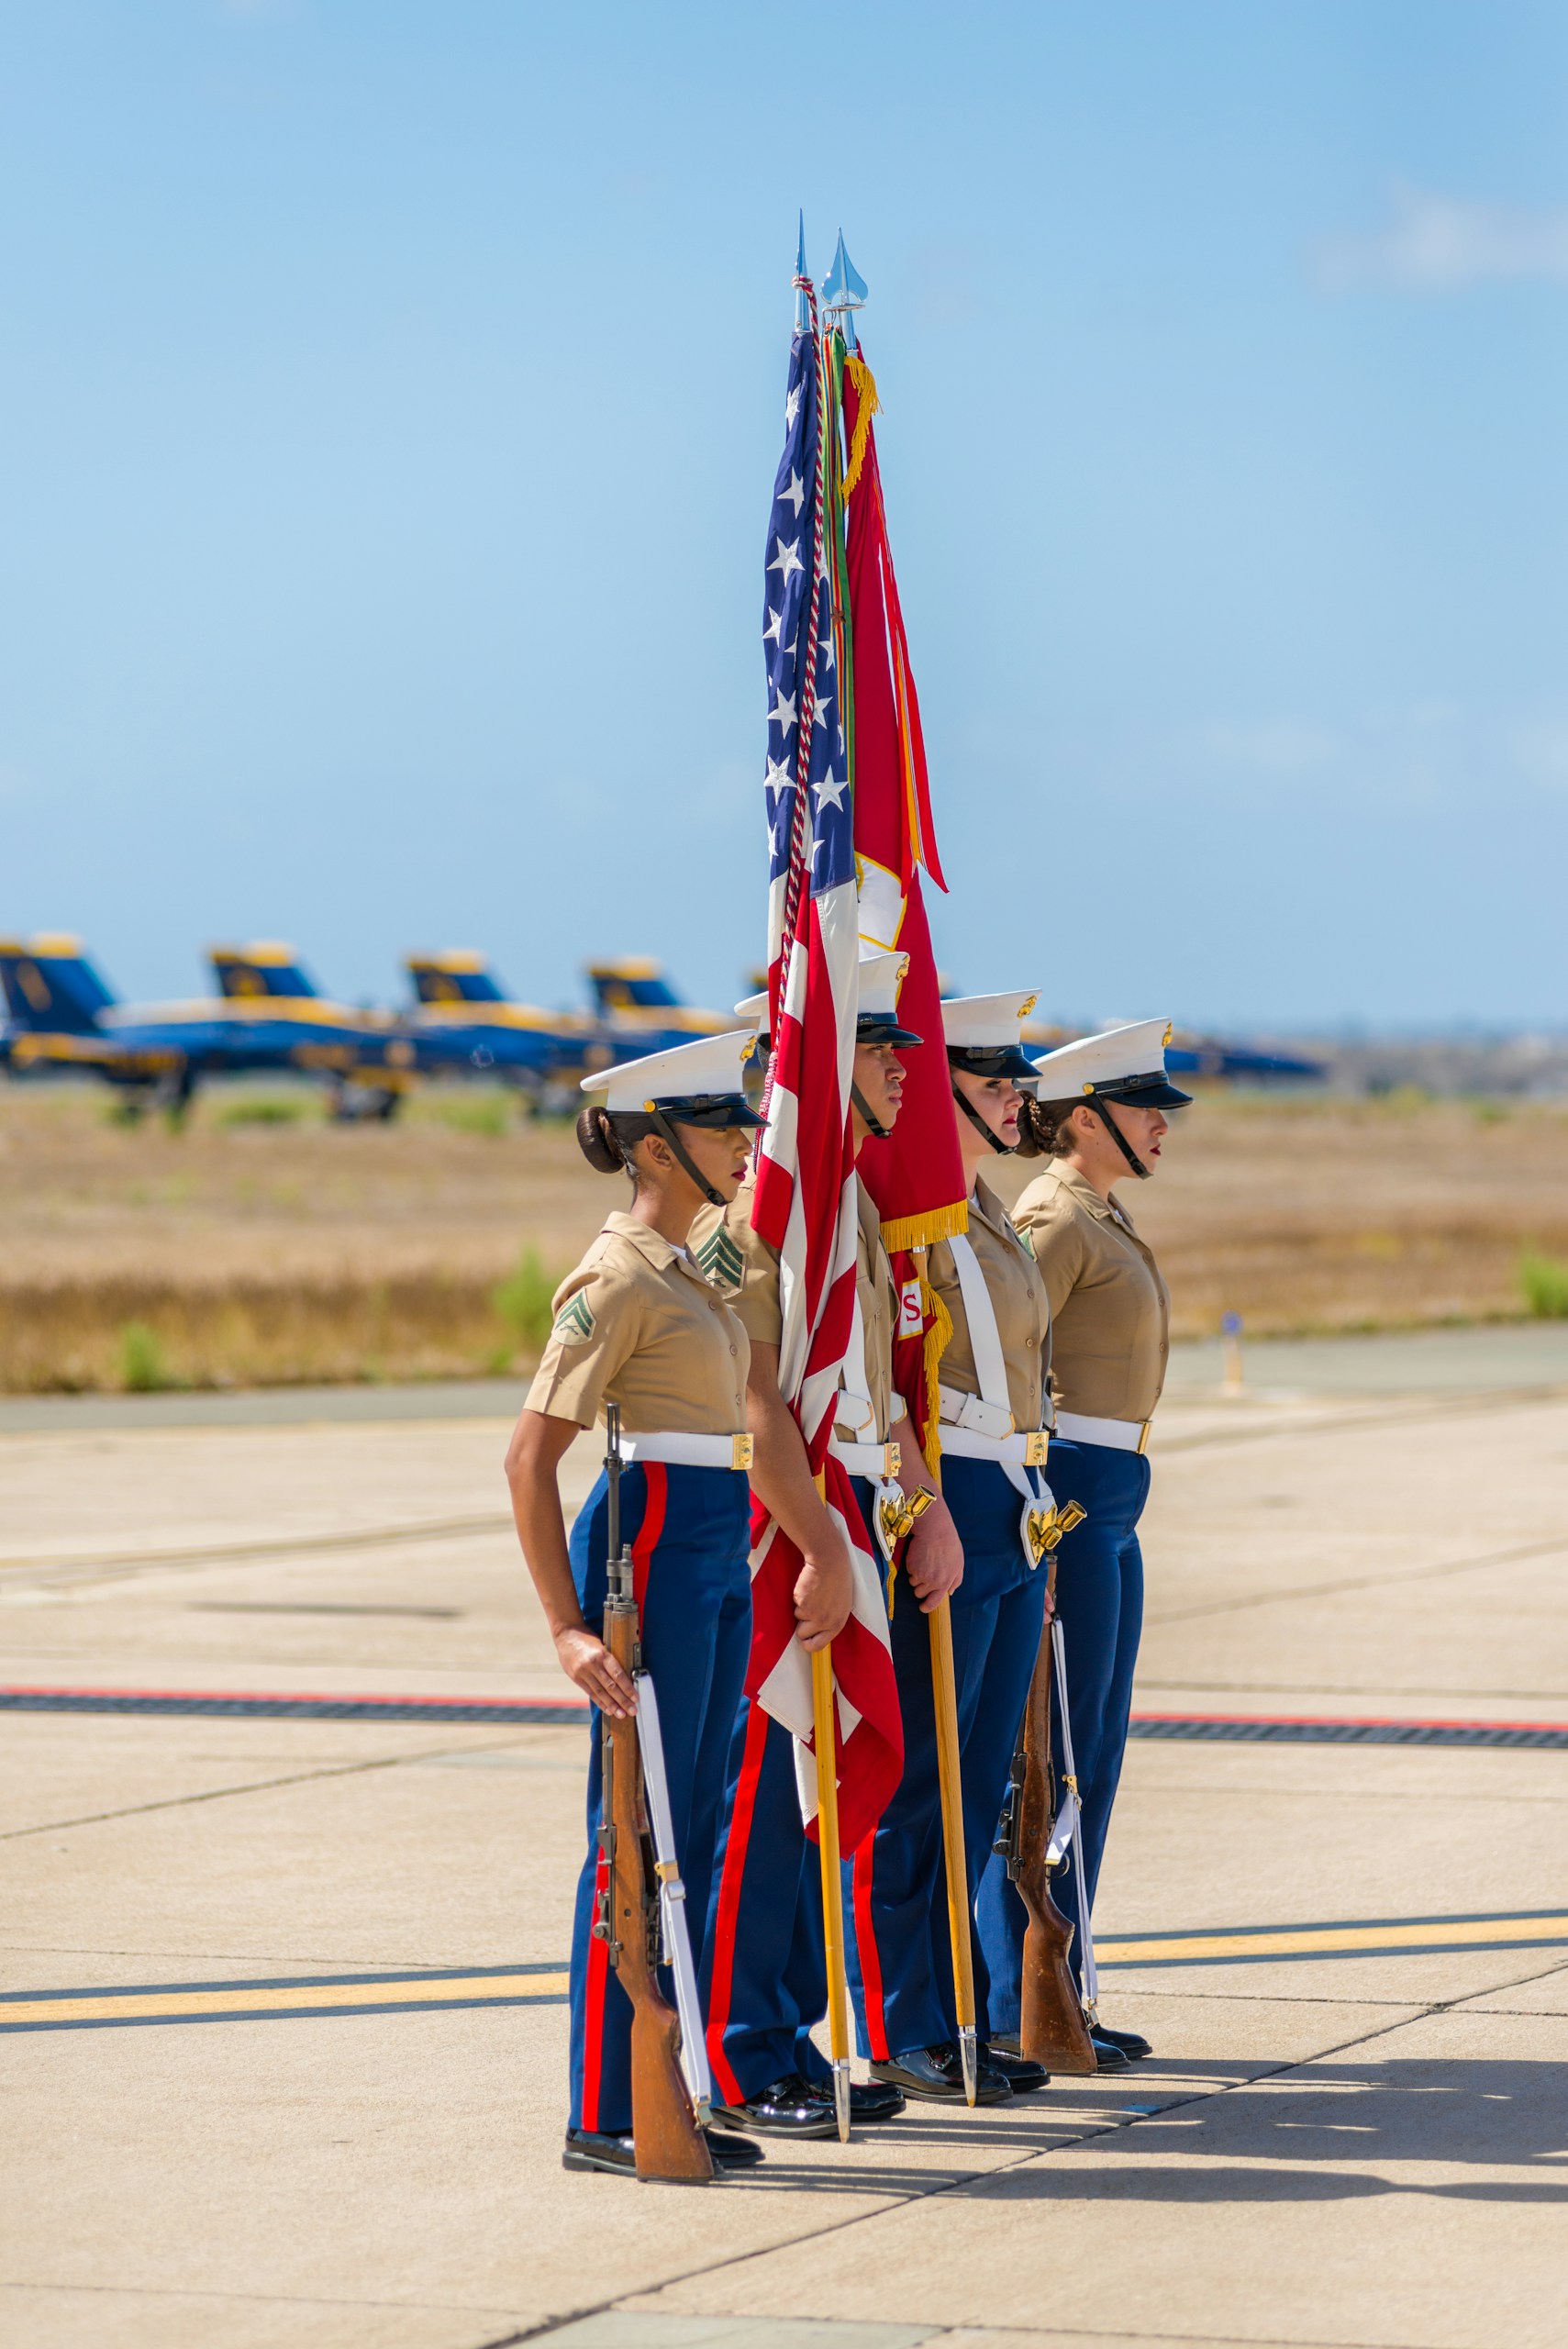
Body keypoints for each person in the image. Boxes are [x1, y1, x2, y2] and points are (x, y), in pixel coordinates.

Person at [694, 948, 964, 2139]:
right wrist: (816, 1546)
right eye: (878, 1047)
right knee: (767, 1797)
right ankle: (749, 2049)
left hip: (843, 1508)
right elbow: (759, 1407)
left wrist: (899, 1509)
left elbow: (875, 1397)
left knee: (828, 1794)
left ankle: (801, 2034)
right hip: (785, 1523)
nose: (906, 1070)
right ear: (810, 1062)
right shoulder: (762, 1212)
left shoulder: (844, 1201)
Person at [504, 1028, 771, 2177]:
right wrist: (565, 1627)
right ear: (654, 1150)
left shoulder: (693, 1264)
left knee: (693, 1826)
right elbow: (528, 1457)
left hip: (711, 1537)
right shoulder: (613, 1278)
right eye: (724, 1129)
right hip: (650, 1535)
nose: (747, 1141)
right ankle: (606, 2109)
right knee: (633, 1831)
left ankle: (670, 2088)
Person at [851, 991, 1056, 2106]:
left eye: (1016, 1084)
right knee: (924, 1779)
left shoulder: (980, 1210)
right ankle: (904, 2020)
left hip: (1009, 1492)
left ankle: (959, 2010)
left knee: (978, 1781)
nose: (1016, 1099)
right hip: (951, 1493)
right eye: (992, 1086)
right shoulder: (917, 1215)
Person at [977, 1018, 1190, 2069]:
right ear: (1086, 1118)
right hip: (1065, 1494)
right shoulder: (1051, 1217)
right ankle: (1013, 1988)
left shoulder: (1093, 1212)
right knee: (1047, 1759)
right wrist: (1039, 1518)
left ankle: (1061, 1982)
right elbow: (1011, 1372)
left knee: (1089, 1752)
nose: (1161, 1125)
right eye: (1145, 1108)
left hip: (1112, 1496)